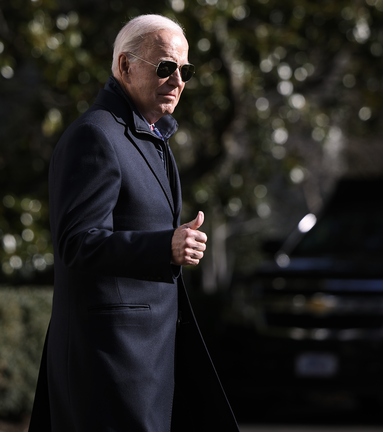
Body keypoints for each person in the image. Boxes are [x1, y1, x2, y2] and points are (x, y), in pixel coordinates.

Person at [28, 14, 238, 432]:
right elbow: (77, 242)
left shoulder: (151, 137)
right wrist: (166, 247)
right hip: (109, 366)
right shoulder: (95, 135)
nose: (177, 80)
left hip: (150, 361)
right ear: (125, 66)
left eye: (185, 71)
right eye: (165, 67)